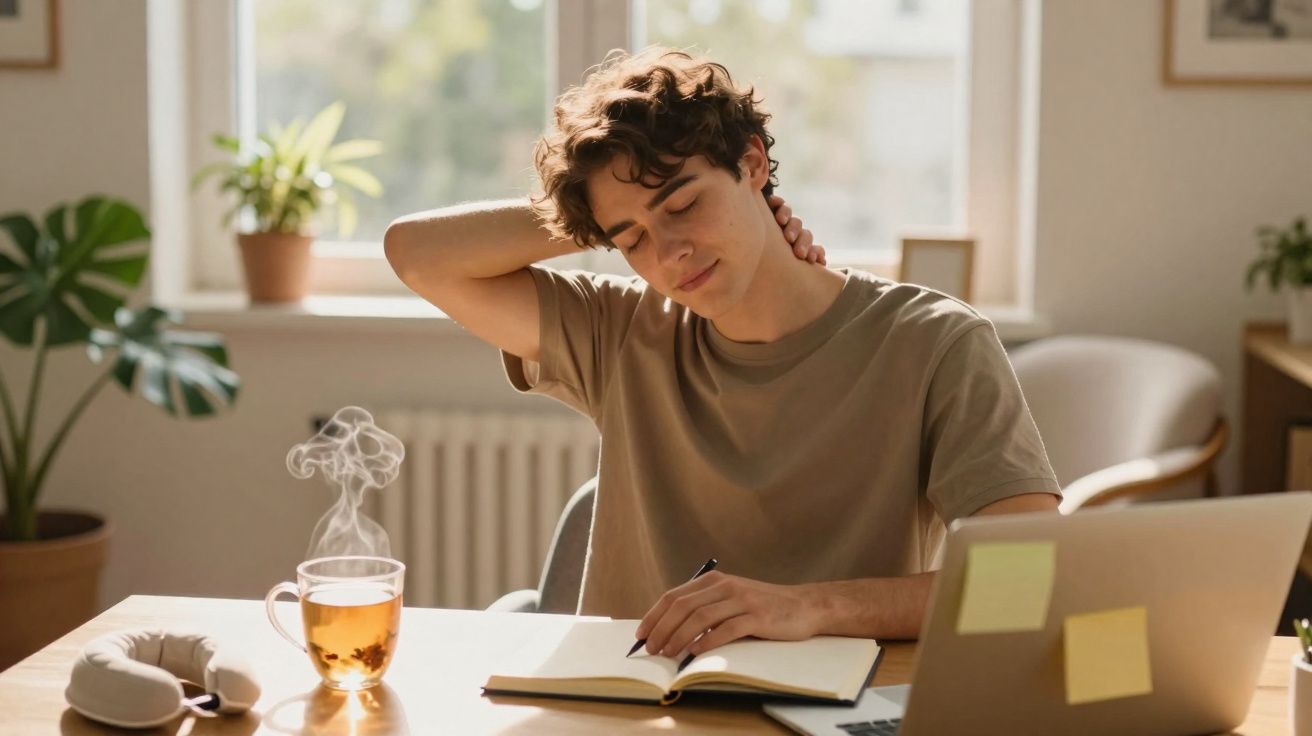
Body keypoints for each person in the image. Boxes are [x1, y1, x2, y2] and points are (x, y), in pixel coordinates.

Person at [385, 47, 1060, 661]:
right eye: (632, 240)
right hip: (628, 713)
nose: (668, 253)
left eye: (681, 203)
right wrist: (594, 211)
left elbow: (1028, 578)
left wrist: (807, 607)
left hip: (836, 711)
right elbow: (416, 256)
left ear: (753, 164)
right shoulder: (620, 331)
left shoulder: (934, 341)